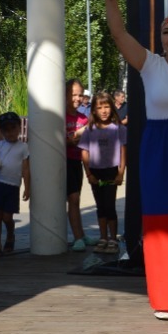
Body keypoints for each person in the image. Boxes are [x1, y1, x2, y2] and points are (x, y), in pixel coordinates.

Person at [102, 0, 168, 319]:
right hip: (158, 148)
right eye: (166, 32)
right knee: (161, 222)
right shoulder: (150, 65)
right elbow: (119, 34)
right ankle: (166, 298)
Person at [78, 91, 127, 252]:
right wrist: (89, 174)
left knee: (110, 205)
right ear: (94, 110)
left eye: (106, 107)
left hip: (111, 171)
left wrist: (120, 173)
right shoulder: (89, 130)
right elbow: (84, 152)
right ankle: (103, 237)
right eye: (100, 108)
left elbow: (123, 151)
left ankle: (113, 238)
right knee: (100, 206)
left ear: (112, 108)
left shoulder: (119, 129)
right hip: (95, 172)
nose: (104, 111)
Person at [0, 111, 30, 255]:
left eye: (13, 128)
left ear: (19, 128)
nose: (10, 132)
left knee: (7, 217)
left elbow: (25, 169)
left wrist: (27, 187)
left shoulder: (23, 147)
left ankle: (10, 234)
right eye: (6, 129)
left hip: (13, 186)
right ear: (2, 131)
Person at [64, 78, 93, 251]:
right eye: (73, 94)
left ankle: (81, 235)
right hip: (64, 161)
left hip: (78, 161)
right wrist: (74, 137)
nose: (77, 98)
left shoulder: (83, 118)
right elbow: (62, 140)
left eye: (80, 95)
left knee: (76, 200)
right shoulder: (60, 115)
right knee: (73, 198)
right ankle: (77, 237)